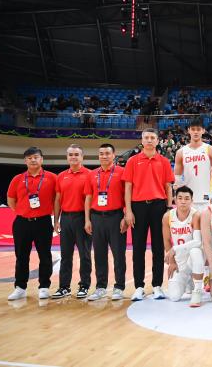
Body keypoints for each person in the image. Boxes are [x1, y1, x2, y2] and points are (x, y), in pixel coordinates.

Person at [124, 128, 175, 301]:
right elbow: (128, 187)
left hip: (159, 206)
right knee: (138, 247)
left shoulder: (164, 161)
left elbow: (168, 187)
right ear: (142, 140)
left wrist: (168, 208)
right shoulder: (132, 161)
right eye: (146, 137)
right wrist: (128, 210)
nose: (149, 140)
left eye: (153, 137)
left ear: (157, 141)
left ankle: (157, 286)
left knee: (158, 247)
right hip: (138, 206)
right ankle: (139, 286)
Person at [6, 147, 57, 301]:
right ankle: (20, 287)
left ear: (42, 159)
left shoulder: (52, 178)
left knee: (45, 255)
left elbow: (57, 199)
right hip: (22, 223)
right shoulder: (17, 179)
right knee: (21, 256)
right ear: (25, 161)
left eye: (35, 157)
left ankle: (44, 287)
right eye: (29, 158)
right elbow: (11, 200)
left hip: (43, 222)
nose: (33, 160)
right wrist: (23, 212)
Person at [84, 144, 127, 301]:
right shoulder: (92, 174)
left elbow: (127, 196)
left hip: (116, 217)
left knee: (118, 254)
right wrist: (87, 219)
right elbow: (88, 197)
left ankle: (119, 287)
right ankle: (100, 287)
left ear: (113, 155)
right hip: (96, 218)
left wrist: (125, 216)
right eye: (101, 153)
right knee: (99, 254)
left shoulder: (122, 172)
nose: (104, 156)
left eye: (107, 153)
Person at [52, 144, 92, 299]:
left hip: (82, 218)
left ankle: (84, 286)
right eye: (70, 154)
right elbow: (57, 199)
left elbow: (90, 199)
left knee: (84, 255)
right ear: (67, 157)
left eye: (76, 154)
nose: (73, 157)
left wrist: (88, 220)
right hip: (66, 218)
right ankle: (64, 287)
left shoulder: (89, 175)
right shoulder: (61, 176)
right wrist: (56, 220)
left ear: (82, 157)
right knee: (66, 255)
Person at [163, 186, 204, 307]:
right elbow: (166, 241)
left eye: (187, 198)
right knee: (174, 297)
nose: (183, 201)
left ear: (192, 200)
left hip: (193, 258)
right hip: (179, 260)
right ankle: (187, 279)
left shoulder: (196, 215)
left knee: (196, 251)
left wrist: (175, 249)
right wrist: (172, 262)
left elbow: (198, 241)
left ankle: (197, 289)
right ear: (175, 200)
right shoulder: (167, 217)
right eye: (180, 198)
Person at [174, 117, 212, 212]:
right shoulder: (181, 152)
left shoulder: (210, 150)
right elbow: (177, 176)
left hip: (205, 197)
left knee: (205, 221)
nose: (195, 132)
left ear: (203, 131)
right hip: (187, 198)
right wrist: (179, 190)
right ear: (188, 130)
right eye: (193, 129)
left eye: (198, 129)